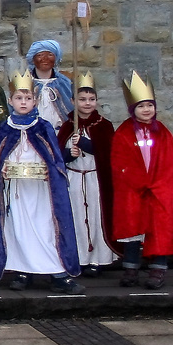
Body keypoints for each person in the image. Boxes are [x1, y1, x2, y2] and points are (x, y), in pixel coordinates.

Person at [0, 70, 83, 293]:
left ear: (35, 100)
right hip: (16, 188)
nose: (23, 102)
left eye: (28, 98)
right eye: (19, 98)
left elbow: (54, 157)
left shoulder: (44, 127)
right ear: (10, 101)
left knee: (46, 227)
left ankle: (57, 271)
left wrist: (57, 166)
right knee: (18, 228)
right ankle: (23, 270)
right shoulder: (5, 128)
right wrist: (0, 174)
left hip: (41, 189)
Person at [110, 71, 173, 289]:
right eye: (141, 106)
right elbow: (120, 161)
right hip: (133, 190)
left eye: (149, 105)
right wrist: (137, 182)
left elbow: (169, 162)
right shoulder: (123, 132)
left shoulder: (163, 133)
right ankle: (131, 268)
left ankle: (157, 269)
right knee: (132, 229)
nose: (146, 109)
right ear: (133, 109)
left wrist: (157, 185)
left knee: (159, 228)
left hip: (158, 189)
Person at [59, 74, 118, 277]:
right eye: (82, 100)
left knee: (95, 216)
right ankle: (79, 258)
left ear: (97, 101)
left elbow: (110, 152)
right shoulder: (68, 125)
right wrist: (69, 154)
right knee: (76, 217)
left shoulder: (104, 125)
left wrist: (86, 145)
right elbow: (57, 155)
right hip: (74, 178)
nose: (87, 103)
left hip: (95, 178)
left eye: (91, 99)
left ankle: (98, 259)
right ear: (74, 101)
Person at [27, 39, 74, 128]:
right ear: (33, 59)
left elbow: (72, 108)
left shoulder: (64, 83)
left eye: (50, 55)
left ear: (56, 58)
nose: (45, 59)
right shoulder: (25, 83)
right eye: (40, 55)